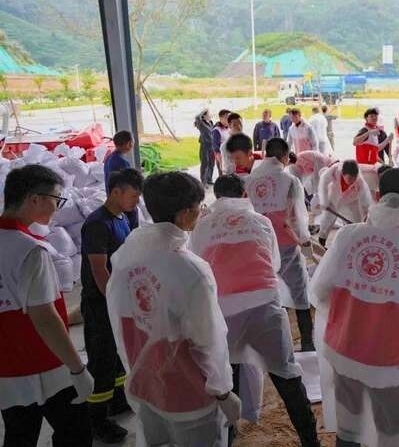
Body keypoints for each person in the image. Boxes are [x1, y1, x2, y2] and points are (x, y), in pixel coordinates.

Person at [310, 168, 399, 447]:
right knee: (393, 430)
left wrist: (352, 305)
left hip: (342, 348)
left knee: (349, 426)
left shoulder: (347, 235)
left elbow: (319, 291)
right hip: (386, 358)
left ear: (379, 195)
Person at [106, 172, 241, 446]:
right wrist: (224, 391)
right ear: (185, 213)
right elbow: (208, 340)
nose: (201, 212)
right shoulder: (190, 269)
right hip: (188, 394)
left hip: (145, 383)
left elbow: (121, 319)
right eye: (199, 207)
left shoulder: (127, 255)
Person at [189, 175, 320, 447]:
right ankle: (310, 441)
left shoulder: (202, 225)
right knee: (287, 376)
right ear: (244, 194)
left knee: (227, 374)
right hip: (265, 305)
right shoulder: (261, 221)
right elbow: (273, 263)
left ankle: (229, 436)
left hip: (223, 310)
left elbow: (199, 265)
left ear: (217, 197)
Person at [0, 165, 93, 446]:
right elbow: (45, 317)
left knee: (19, 433)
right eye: (56, 199)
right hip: (43, 363)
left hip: (6, 364)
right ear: (35, 199)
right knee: (75, 432)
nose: (57, 207)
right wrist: (77, 369)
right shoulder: (30, 250)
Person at [80, 168, 143, 443]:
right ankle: (97, 420)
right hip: (100, 304)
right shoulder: (98, 223)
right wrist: (114, 302)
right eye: (133, 195)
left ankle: (117, 401)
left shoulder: (124, 217)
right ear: (116, 192)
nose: (136, 201)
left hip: (117, 300)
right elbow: (99, 269)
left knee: (117, 357)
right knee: (102, 361)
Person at [245, 138, 316, 352]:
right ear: (285, 156)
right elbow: (297, 217)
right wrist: (304, 240)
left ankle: (267, 344)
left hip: (257, 242)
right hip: (284, 241)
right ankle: (307, 341)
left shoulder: (250, 179)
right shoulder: (289, 180)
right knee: (299, 291)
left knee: (265, 290)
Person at [317, 160, 373, 247]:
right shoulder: (334, 170)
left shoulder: (360, 181)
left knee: (355, 221)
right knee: (327, 219)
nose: (352, 181)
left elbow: (365, 200)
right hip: (334, 196)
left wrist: (366, 215)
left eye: (354, 179)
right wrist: (324, 201)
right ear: (342, 174)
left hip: (351, 200)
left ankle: (354, 241)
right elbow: (323, 182)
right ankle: (322, 240)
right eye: (350, 179)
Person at [104, 130, 140, 230]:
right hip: (122, 200)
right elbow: (130, 185)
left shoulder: (109, 158)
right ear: (128, 143)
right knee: (133, 218)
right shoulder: (122, 162)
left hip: (112, 197)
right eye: (132, 141)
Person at [195, 109, 215, 186]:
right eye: (208, 114)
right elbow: (197, 117)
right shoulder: (201, 124)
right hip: (205, 146)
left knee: (211, 163)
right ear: (204, 116)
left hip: (212, 146)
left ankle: (209, 179)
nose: (210, 115)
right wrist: (203, 111)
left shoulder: (211, 123)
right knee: (205, 163)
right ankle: (204, 181)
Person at [212, 109, 231, 177]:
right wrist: (220, 162)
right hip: (222, 158)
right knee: (223, 178)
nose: (229, 120)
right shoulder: (216, 130)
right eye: (226, 118)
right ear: (221, 118)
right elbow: (215, 148)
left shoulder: (229, 128)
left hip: (230, 158)